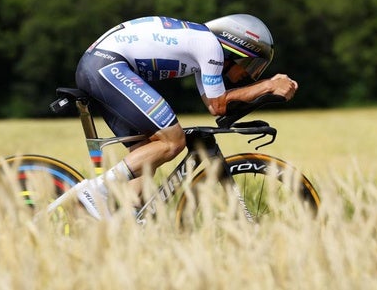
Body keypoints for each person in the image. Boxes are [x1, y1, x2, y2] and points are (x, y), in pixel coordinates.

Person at [53, 14, 298, 219]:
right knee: (173, 141)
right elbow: (219, 101)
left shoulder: (202, 49)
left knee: (147, 152)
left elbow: (217, 109)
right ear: (237, 48)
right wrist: (268, 85)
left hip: (100, 65)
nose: (243, 75)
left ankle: (125, 221)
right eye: (247, 65)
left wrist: (261, 95)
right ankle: (97, 191)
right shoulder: (210, 46)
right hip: (107, 65)